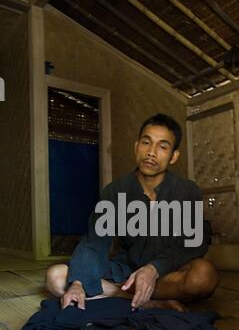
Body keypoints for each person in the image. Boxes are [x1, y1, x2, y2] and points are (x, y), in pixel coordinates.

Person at [46, 114, 219, 311]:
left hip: (167, 274)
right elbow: (95, 242)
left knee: (204, 276)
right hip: (126, 274)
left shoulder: (187, 191)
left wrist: (154, 269)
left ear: (173, 156)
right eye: (146, 143)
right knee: (56, 277)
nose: (151, 152)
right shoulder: (115, 191)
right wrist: (78, 283)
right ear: (136, 146)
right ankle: (142, 301)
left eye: (162, 146)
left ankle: (113, 294)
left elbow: (194, 245)